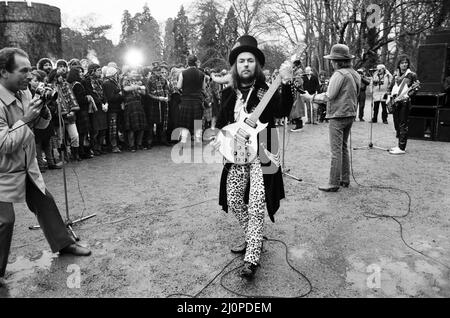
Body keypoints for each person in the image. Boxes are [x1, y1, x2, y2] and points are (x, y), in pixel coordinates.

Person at [0, 48, 91, 287]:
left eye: (30, 69)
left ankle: (63, 243)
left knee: (44, 200)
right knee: (4, 220)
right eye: (24, 70)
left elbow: (39, 125)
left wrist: (45, 110)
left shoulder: (24, 93)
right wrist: (28, 118)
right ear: (3, 72)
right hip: (2, 167)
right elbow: (4, 144)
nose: (30, 76)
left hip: (23, 163)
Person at [211, 35, 294, 279]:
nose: (245, 64)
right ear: (235, 67)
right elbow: (220, 122)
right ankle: (252, 236)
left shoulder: (264, 90)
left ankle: (252, 257)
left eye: (249, 61)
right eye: (241, 61)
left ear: (256, 65)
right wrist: (220, 139)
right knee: (234, 199)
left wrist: (287, 85)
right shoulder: (228, 93)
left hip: (264, 149)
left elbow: (281, 111)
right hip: (236, 153)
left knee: (257, 201)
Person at [301, 44, 361, 192]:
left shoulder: (339, 74)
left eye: (332, 60)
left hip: (338, 115)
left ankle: (333, 182)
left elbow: (329, 96)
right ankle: (344, 179)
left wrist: (311, 97)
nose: (331, 63)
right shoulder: (355, 73)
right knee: (343, 147)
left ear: (336, 61)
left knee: (336, 150)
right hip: (350, 114)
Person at [387, 55, 419, 155]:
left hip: (405, 101)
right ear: (399, 64)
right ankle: (398, 145)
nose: (404, 64)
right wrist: (389, 97)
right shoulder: (396, 74)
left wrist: (409, 94)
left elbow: (415, 89)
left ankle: (401, 147)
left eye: (406, 63)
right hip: (395, 101)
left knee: (403, 125)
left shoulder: (411, 75)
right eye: (402, 63)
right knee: (397, 124)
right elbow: (391, 86)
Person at [177, 55, 206, 144]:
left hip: (186, 101)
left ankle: (184, 142)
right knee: (197, 122)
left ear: (188, 62)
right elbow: (203, 88)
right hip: (197, 101)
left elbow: (179, 86)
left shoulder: (183, 73)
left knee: (185, 122)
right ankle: (197, 142)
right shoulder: (202, 74)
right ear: (196, 62)